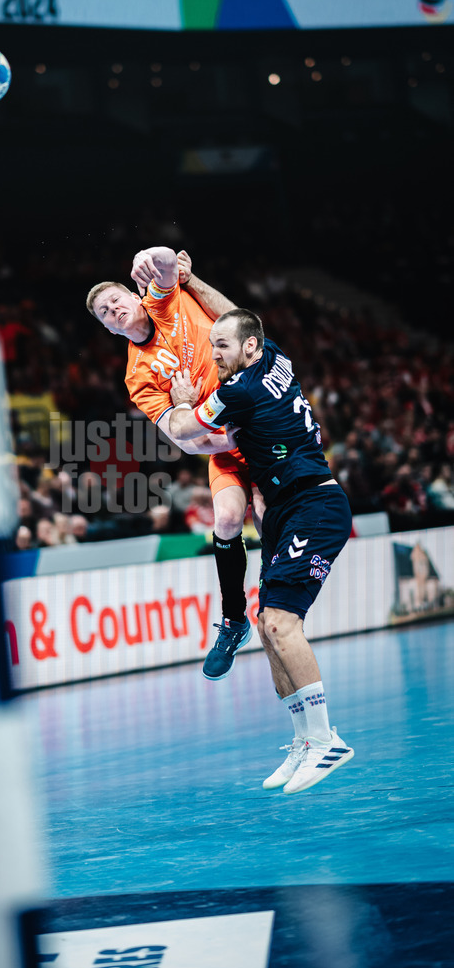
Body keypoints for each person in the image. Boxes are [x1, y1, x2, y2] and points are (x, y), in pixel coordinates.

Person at [168, 309, 354, 795]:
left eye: (222, 347)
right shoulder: (276, 358)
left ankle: (326, 741)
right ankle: (305, 740)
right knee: (269, 631)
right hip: (284, 511)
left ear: (249, 347)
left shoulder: (240, 390)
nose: (214, 356)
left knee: (279, 624)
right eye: (212, 346)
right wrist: (194, 280)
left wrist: (181, 400)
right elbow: (234, 311)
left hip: (313, 504)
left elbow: (188, 431)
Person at [87, 246, 258, 680]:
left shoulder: (161, 300)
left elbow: (166, 263)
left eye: (116, 300)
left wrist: (149, 256)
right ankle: (235, 621)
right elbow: (182, 436)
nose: (113, 310)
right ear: (107, 328)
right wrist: (218, 433)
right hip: (223, 442)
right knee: (225, 520)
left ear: (132, 294)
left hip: (257, 418)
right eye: (105, 313)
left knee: (272, 518)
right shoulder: (137, 376)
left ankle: (277, 598)